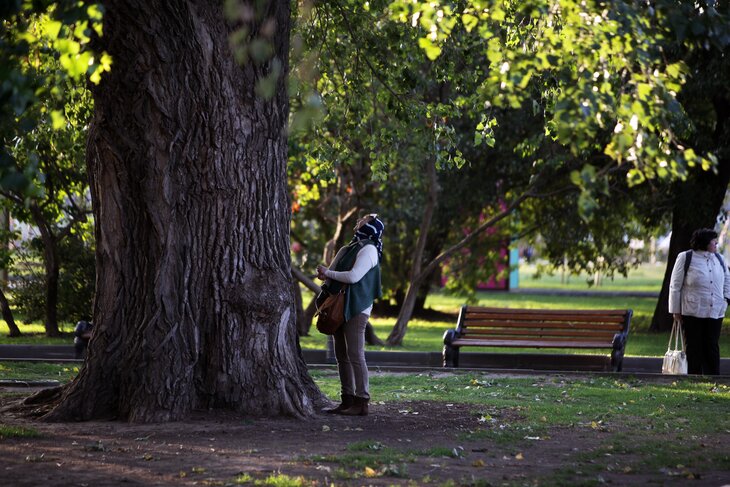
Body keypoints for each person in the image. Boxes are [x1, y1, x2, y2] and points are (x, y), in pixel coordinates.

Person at [316, 213, 384, 416]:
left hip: (356, 308)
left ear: (371, 226)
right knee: (341, 356)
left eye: (365, 218)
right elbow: (331, 274)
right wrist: (325, 275)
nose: (359, 220)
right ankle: (347, 399)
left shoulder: (369, 249)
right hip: (338, 307)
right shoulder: (349, 248)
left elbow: (354, 277)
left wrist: (328, 273)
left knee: (355, 354)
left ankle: (362, 401)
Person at [669, 228, 730, 375]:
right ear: (705, 242)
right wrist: (675, 311)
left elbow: (728, 280)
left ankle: (713, 377)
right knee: (693, 346)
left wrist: (725, 300)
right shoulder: (686, 257)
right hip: (692, 310)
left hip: (715, 310)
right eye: (713, 241)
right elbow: (675, 286)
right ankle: (693, 376)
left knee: (712, 345)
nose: (716, 244)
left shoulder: (720, 259)